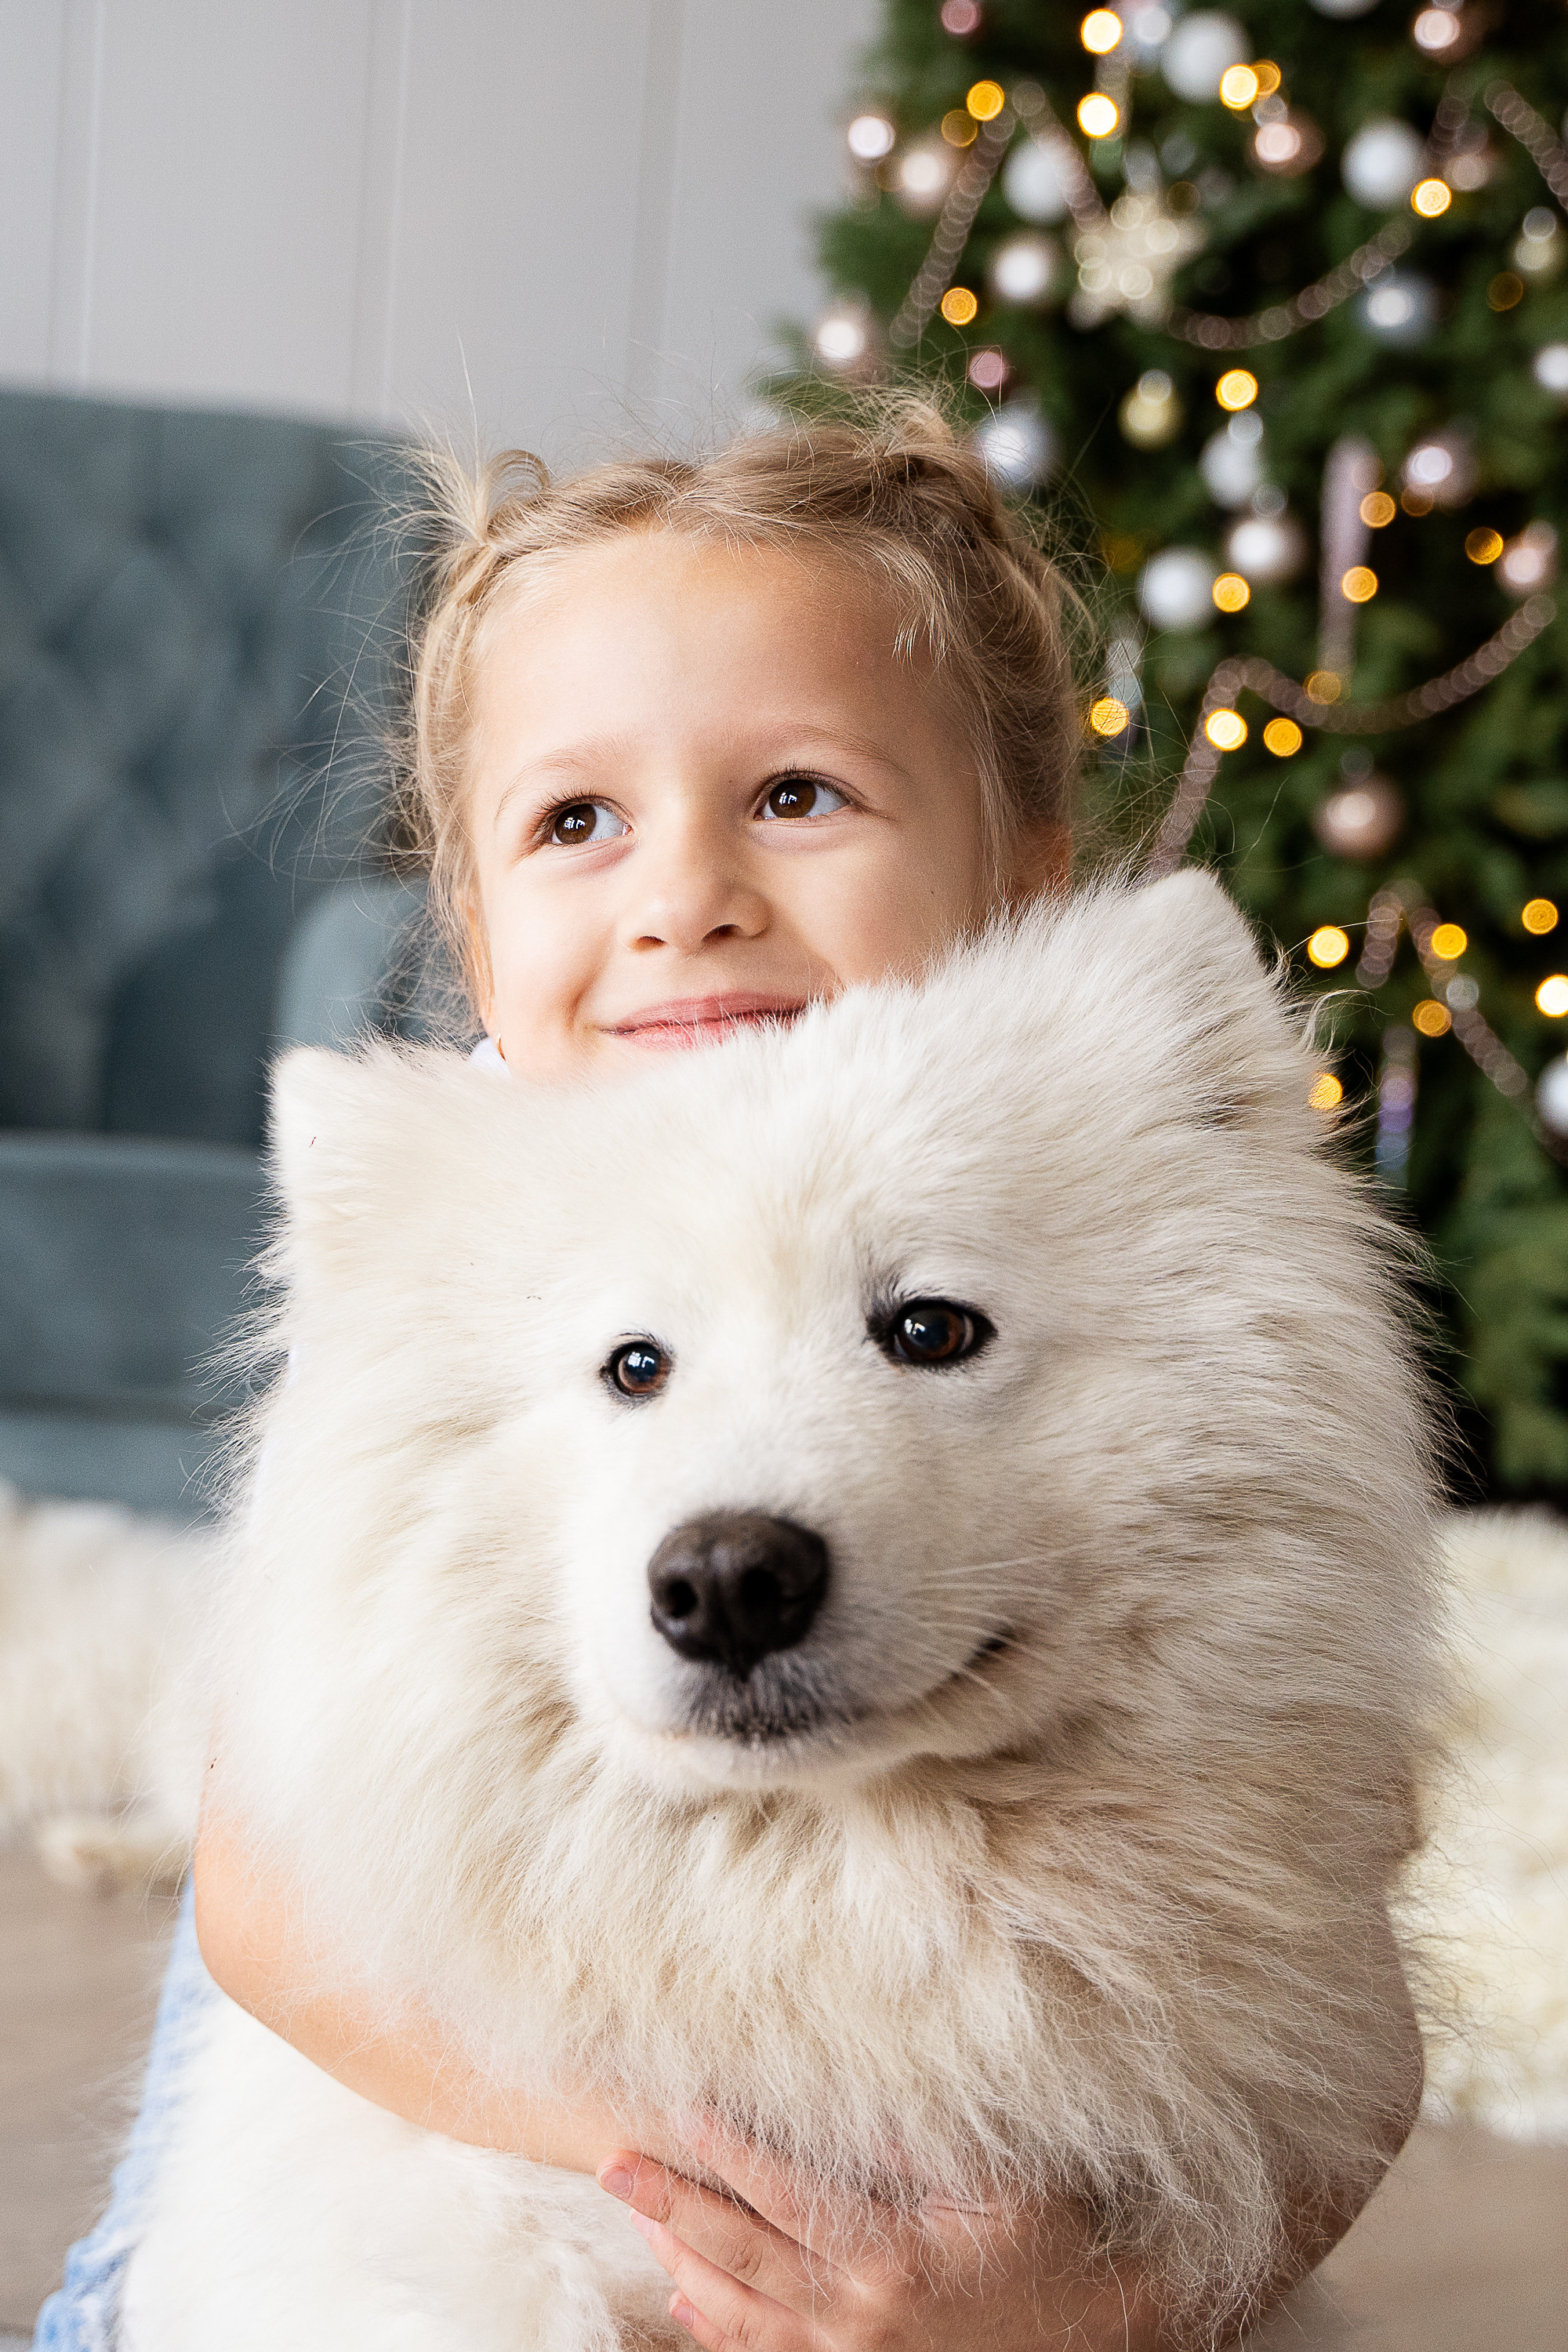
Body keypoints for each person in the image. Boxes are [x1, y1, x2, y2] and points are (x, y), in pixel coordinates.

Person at [36, 399, 1421, 2352]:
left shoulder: (1094, 1148)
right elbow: (271, 1919)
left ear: (1024, 876)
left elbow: (1340, 2057)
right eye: (576, 821)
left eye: (794, 795)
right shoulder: (449, 1212)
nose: (683, 894)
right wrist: (721, 2192)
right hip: (425, 2150)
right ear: (470, 925)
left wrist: (1082, 2305)